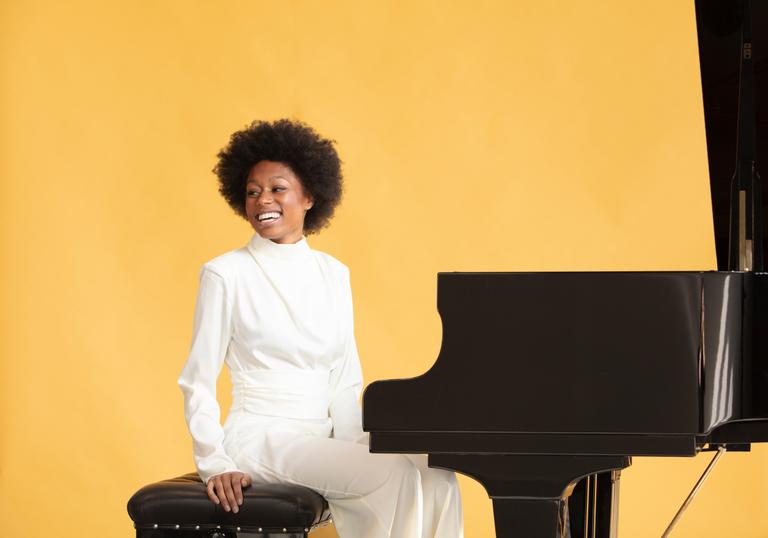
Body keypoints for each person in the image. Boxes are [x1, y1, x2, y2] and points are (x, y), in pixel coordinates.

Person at [177, 118, 464, 538]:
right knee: (389, 476)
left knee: (437, 473)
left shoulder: (334, 273)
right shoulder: (225, 274)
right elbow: (196, 381)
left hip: (322, 438)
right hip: (261, 437)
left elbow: (346, 379)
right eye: (252, 192)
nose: (262, 201)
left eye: (277, 188)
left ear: (309, 195)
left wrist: (355, 447)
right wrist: (215, 463)